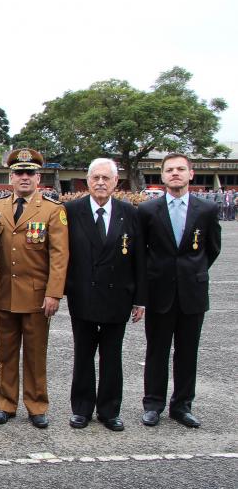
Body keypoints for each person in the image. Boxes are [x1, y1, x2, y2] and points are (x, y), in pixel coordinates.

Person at [139, 153, 220, 428]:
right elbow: (142, 252)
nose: (175, 173)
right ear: (162, 176)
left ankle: (182, 405)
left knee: (188, 351)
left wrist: (192, 271)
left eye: (180, 169)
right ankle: (153, 404)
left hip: (192, 292)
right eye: (170, 170)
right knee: (157, 350)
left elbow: (212, 248)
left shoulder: (206, 210)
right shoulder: (148, 211)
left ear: (191, 174)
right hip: (159, 291)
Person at [64, 158, 146, 431]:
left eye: (105, 178)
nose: (100, 183)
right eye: (95, 178)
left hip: (117, 296)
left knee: (112, 356)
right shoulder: (71, 211)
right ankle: (82, 409)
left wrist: (140, 299)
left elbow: (140, 259)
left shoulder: (130, 212)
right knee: (83, 355)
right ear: (87, 182)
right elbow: (61, 255)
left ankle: (109, 410)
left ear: (115, 182)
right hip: (83, 294)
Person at [0, 148, 69, 428]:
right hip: (5, 292)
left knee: (36, 353)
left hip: (37, 295)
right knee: (6, 352)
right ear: (11, 177)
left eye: (30, 173)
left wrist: (53, 293)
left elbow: (60, 256)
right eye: (19, 173)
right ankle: (5, 404)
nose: (24, 177)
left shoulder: (52, 210)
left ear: (38, 177)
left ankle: (36, 405)